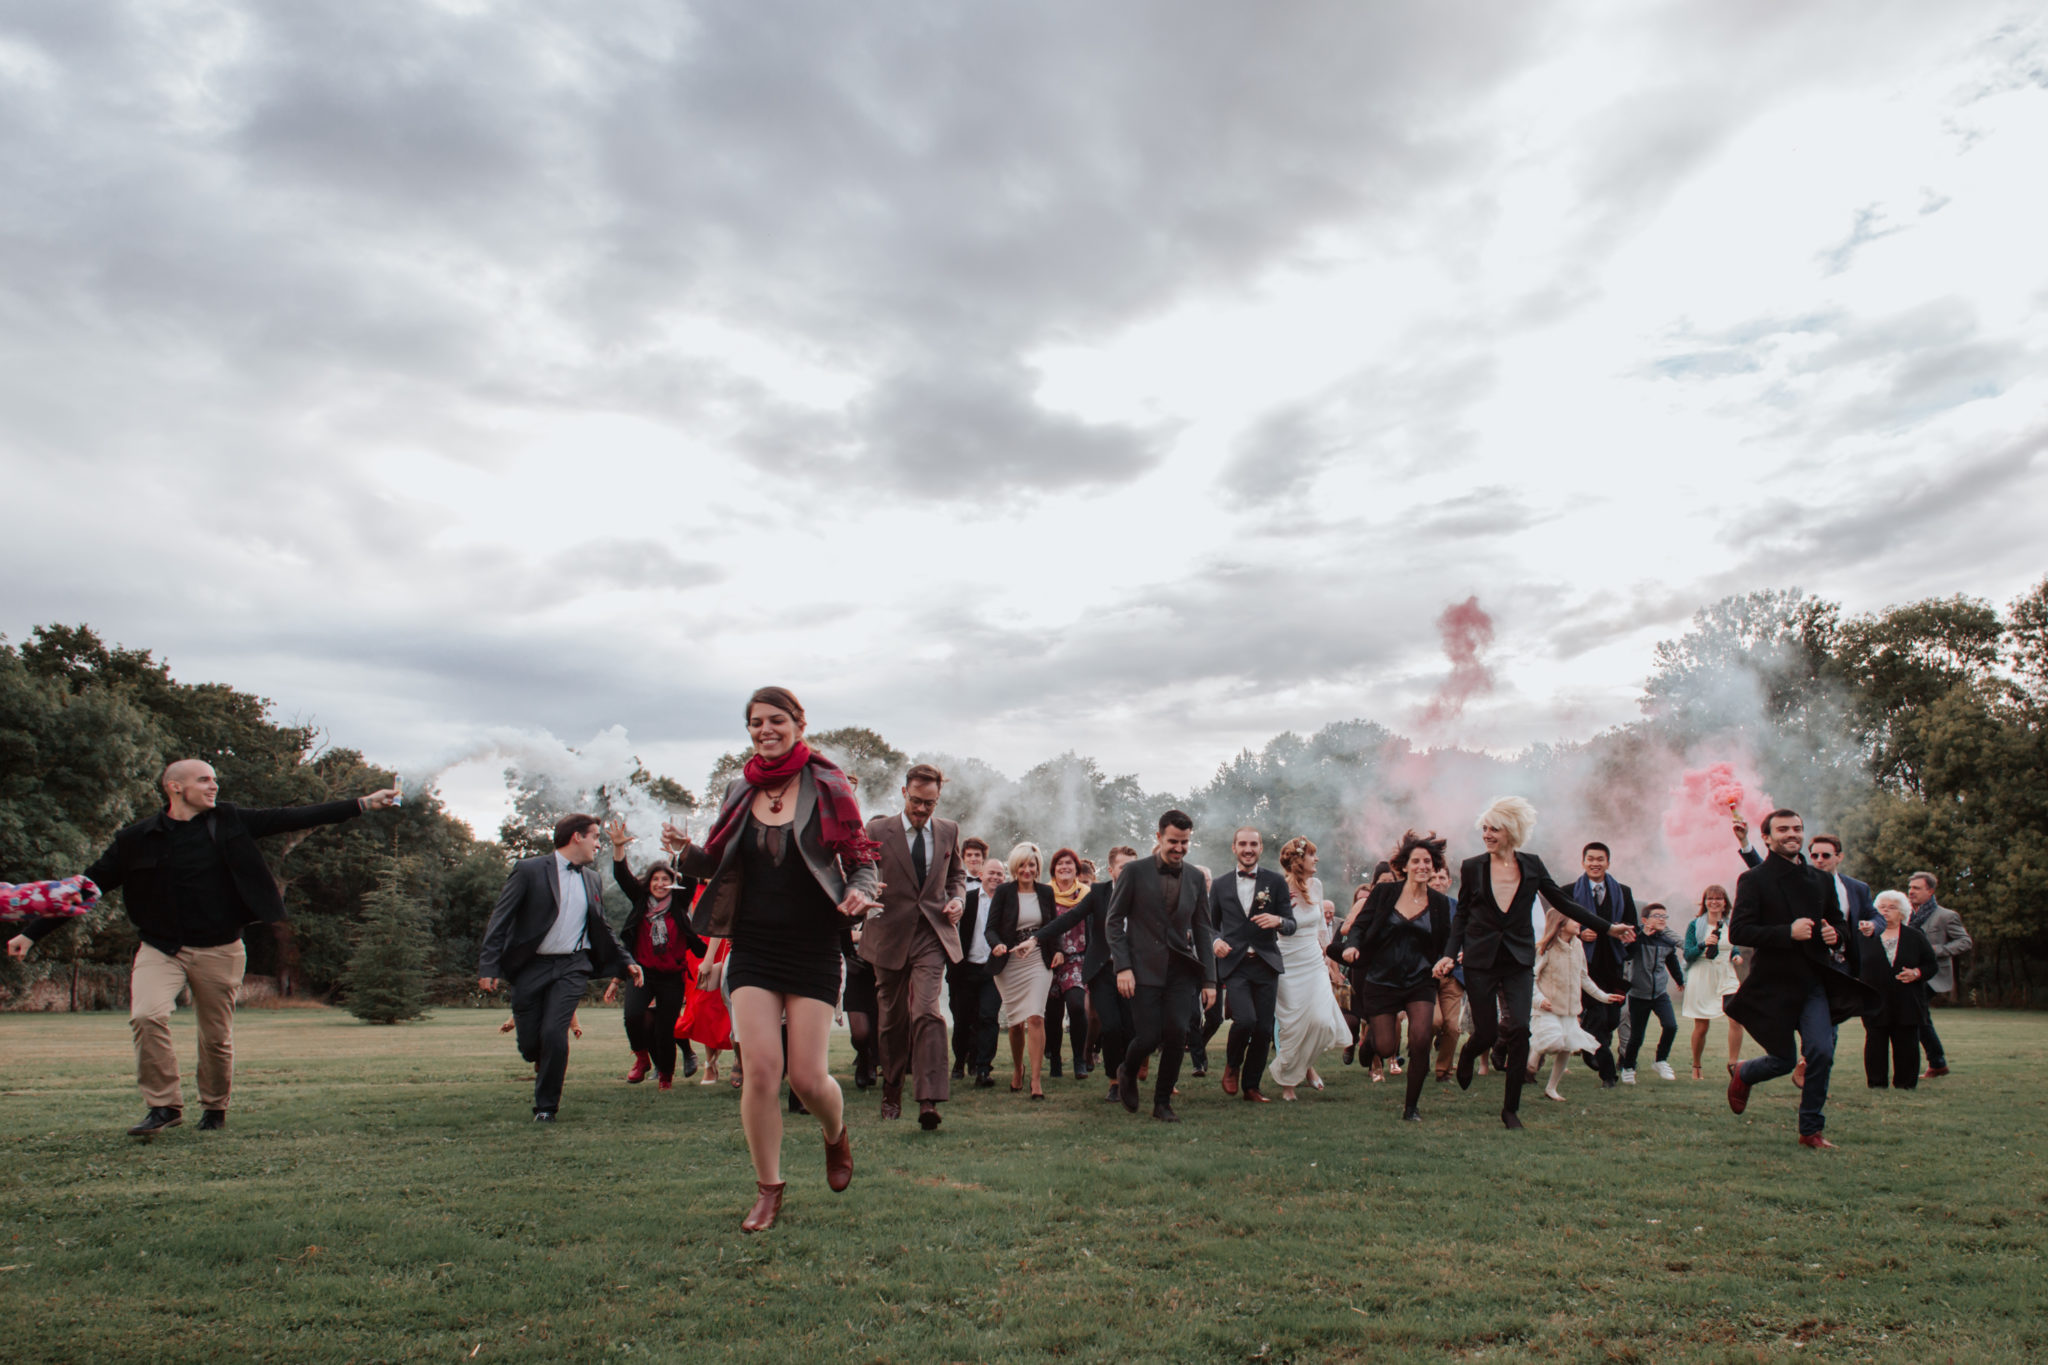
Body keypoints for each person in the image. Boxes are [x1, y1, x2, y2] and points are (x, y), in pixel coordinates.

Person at [10, 759, 399, 1137]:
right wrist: (32, 933)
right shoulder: (135, 840)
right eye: (203, 780)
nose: (213, 786)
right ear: (174, 787)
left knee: (215, 1037)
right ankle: (164, 1106)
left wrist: (363, 803)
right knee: (147, 1016)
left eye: (214, 780)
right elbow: (85, 889)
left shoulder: (230, 821)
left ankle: (214, 1107)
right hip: (161, 948)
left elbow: (294, 816)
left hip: (221, 948)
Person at [659, 686, 878, 1232]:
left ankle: (835, 1133)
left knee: (806, 1077)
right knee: (759, 1069)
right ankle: (768, 1188)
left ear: (799, 724)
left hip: (813, 945)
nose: (765, 730)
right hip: (753, 943)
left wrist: (858, 892)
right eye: (756, 722)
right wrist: (684, 851)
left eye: (776, 720)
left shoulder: (830, 785)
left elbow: (861, 859)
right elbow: (717, 859)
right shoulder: (738, 787)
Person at [1436, 796, 1633, 1129]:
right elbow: (1463, 915)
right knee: (1484, 1032)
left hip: (1518, 960)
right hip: (1481, 960)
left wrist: (1609, 927)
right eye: (1484, 828)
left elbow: (1565, 903)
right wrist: (1447, 953)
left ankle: (1510, 1110)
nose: (1487, 834)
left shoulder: (1532, 865)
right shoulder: (1472, 867)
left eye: (1494, 828)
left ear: (1511, 831)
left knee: (1521, 1031)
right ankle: (1470, 1053)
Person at [1723, 808, 1879, 1149]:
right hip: (1772, 985)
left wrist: (1834, 935)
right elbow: (1739, 930)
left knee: (1821, 1052)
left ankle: (1811, 1131)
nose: (1792, 834)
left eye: (1797, 828)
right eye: (1783, 829)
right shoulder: (1754, 880)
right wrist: (1786, 932)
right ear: (1766, 837)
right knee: (1782, 1060)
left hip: (1813, 982)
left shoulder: (1821, 879)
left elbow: (1839, 924)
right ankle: (1745, 1073)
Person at [479, 814, 644, 1122]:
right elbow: (500, 920)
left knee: (555, 1034)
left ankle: (546, 1108)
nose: (598, 843)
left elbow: (603, 928)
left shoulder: (592, 878)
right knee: (532, 1044)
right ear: (576, 837)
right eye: (595, 836)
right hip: (531, 967)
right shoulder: (528, 870)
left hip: (572, 965)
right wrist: (489, 965)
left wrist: (626, 961)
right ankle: (539, 1058)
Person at [858, 763, 967, 1129]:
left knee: (927, 1011)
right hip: (888, 934)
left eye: (930, 804)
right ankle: (891, 1087)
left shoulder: (949, 830)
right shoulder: (876, 829)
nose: (922, 810)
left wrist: (958, 900)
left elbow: (957, 877)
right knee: (892, 1018)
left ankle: (929, 1099)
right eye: (917, 802)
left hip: (931, 934)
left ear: (939, 798)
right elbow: (860, 871)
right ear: (904, 793)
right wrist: (866, 888)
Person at [1108, 811, 1218, 1122]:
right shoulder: (1134, 872)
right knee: (1148, 1036)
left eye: (1185, 842)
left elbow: (1203, 930)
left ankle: (1162, 1103)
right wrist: (1122, 967)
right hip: (1142, 968)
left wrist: (1209, 980)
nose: (1179, 848)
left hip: (1181, 970)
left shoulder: (1196, 878)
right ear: (1158, 838)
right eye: (1173, 841)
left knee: (1177, 1032)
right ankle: (1127, 1069)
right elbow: (1114, 922)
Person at [1342, 830, 1455, 1121]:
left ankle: (1411, 1108)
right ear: (1404, 865)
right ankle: (1368, 1045)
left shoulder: (1439, 903)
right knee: (1386, 1046)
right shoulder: (1384, 893)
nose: (1422, 866)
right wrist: (1352, 945)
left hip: (1420, 980)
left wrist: (1449, 957)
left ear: (1434, 866)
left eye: (1427, 862)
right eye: (1416, 861)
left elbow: (1447, 941)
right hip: (1382, 979)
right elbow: (1360, 925)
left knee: (1419, 1039)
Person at [603, 819, 707, 1090]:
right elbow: (622, 877)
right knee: (633, 1017)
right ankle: (641, 1058)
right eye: (656, 879)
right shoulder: (640, 902)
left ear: (672, 883)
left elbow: (693, 877)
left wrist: (682, 850)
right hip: (642, 972)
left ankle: (665, 1077)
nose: (660, 883)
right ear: (648, 882)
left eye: (666, 879)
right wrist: (618, 849)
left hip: (672, 975)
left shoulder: (679, 901)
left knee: (665, 1028)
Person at [1033, 845, 1138, 1102]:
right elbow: (1069, 919)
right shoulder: (1098, 893)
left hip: (1134, 971)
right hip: (1102, 970)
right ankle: (1115, 1081)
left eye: (1134, 867)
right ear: (1111, 869)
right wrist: (1035, 938)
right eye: (1124, 867)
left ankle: (1129, 1073)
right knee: (1110, 1027)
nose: (1130, 873)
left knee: (1131, 1029)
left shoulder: (1145, 894)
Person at [1209, 826, 1294, 1104]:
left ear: (1260, 848)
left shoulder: (1276, 882)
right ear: (1234, 848)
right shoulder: (1220, 884)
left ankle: (1252, 1086)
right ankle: (1232, 1065)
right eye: (1243, 844)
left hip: (1266, 963)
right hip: (1235, 963)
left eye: (1253, 844)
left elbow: (1291, 923)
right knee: (1245, 1019)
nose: (1248, 849)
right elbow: (1208, 926)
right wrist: (1215, 941)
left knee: (1263, 1029)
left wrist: (1278, 921)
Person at [1269, 838, 1348, 1100]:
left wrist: (1331, 963)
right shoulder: (1277, 888)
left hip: (1313, 961)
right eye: (1312, 855)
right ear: (1298, 860)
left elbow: (1321, 929)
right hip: (1287, 963)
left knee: (1322, 1022)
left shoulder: (1317, 885)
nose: (1316, 860)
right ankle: (1289, 1084)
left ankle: (1302, 1066)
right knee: (1292, 1025)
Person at [985, 842, 1058, 1099]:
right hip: (1010, 961)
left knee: (1036, 1016)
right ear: (1015, 867)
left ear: (1038, 867)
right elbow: (990, 928)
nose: (1027, 870)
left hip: (1038, 957)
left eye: (1032, 865)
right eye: (1023, 865)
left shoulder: (1046, 893)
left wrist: (1057, 950)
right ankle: (1018, 1069)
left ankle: (1036, 1081)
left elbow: (1053, 925)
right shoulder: (1004, 892)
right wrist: (997, 945)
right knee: (1015, 1023)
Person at [1528, 907, 1623, 1102]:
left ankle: (1552, 1088)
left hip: (1570, 1010)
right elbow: (1531, 978)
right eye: (1574, 919)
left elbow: (1583, 977)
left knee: (1566, 1047)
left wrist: (1604, 997)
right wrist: (1538, 1000)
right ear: (1561, 923)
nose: (1579, 923)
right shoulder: (1545, 948)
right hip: (1548, 1008)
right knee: (1554, 1042)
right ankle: (1533, 1053)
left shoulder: (1578, 945)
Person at [1569, 841, 1640, 1087]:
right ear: (1583, 862)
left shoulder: (1623, 892)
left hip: (1613, 966)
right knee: (1599, 1018)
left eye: (1600, 859)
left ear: (1608, 862)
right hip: (1583, 966)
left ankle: (1590, 1047)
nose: (1595, 863)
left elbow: (1633, 926)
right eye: (1591, 859)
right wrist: (1579, 934)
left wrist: (1626, 935)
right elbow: (1557, 927)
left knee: (1610, 1019)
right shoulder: (1568, 892)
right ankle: (1607, 1071)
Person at [1856, 890, 1936, 1090]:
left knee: (1907, 1042)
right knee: (1875, 1041)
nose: (1885, 911)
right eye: (1881, 907)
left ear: (1902, 912)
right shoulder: (1865, 936)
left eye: (1892, 907)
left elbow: (1931, 965)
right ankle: (1876, 1083)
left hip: (1907, 999)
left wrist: (1916, 973)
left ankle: (1905, 1084)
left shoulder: (1915, 936)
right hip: (1875, 999)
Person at [1905, 872, 1971, 1078]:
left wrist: (1936, 950)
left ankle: (1934, 1062)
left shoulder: (1946, 916)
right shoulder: (1905, 914)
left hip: (1932, 976)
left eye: (1917, 888)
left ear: (1930, 891)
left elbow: (1964, 942)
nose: (1911, 891)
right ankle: (1937, 1063)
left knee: (1916, 1015)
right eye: (1910, 887)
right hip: (1909, 974)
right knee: (1920, 1016)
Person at [1681, 885, 1745, 1079]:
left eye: (1719, 898)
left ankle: (1733, 1063)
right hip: (1702, 975)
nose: (1714, 902)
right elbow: (1688, 954)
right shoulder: (1695, 925)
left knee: (1736, 1017)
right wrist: (1703, 944)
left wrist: (1736, 956)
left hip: (1726, 975)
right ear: (1705, 902)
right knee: (1701, 1026)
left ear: (1725, 902)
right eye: (1710, 898)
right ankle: (1697, 1065)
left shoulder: (1730, 924)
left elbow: (1730, 946)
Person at [1618, 903, 1686, 1082]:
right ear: (1645, 920)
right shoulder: (1637, 939)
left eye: (1665, 917)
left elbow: (1672, 962)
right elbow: (1627, 955)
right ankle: (1628, 1067)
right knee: (1637, 1036)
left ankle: (1660, 1061)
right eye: (1657, 916)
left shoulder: (1667, 941)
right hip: (1639, 994)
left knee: (1671, 1026)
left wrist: (1679, 980)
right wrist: (1639, 937)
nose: (1662, 920)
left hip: (1660, 994)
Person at [1042, 849, 1093, 1081]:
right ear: (1053, 869)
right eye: (1060, 863)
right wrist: (1056, 950)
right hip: (1051, 959)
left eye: (1069, 863)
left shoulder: (1086, 894)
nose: (1065, 867)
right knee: (1052, 1014)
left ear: (1076, 868)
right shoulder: (1044, 894)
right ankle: (1054, 1061)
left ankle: (1080, 1059)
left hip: (1078, 959)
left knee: (1076, 1006)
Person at [948, 836, 991, 1079]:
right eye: (970, 855)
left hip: (985, 959)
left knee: (981, 1015)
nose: (974, 859)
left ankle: (976, 1061)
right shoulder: (955, 885)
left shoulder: (993, 887)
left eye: (978, 856)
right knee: (960, 1014)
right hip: (960, 961)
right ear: (964, 859)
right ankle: (959, 1059)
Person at [1427, 864, 1465, 1082]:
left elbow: (1469, 937)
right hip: (1426, 976)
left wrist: (1465, 953)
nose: (1437, 881)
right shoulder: (1419, 907)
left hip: (1453, 975)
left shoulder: (1458, 909)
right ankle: (1419, 1052)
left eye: (1442, 877)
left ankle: (1443, 1071)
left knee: (1452, 1027)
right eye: (1433, 877)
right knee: (1433, 1022)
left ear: (1449, 882)